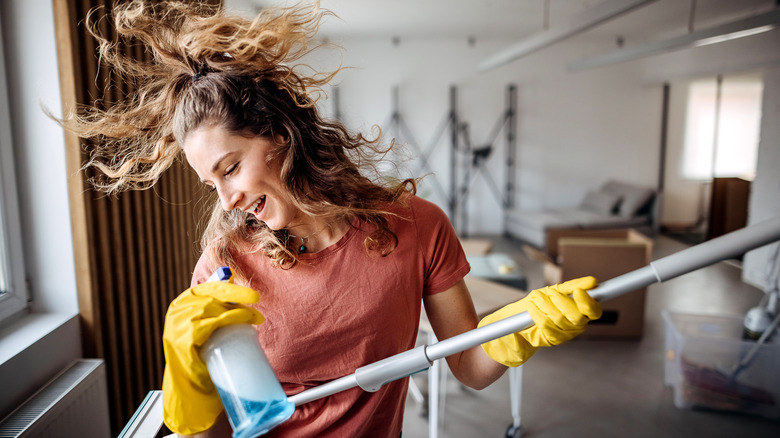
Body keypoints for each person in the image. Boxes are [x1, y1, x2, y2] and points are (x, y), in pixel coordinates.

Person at [62, 1, 603, 436]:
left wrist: (518, 330)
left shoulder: (418, 227)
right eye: (212, 184)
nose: (225, 200)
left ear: (277, 135)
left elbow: (469, 366)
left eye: (230, 169)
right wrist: (189, 390)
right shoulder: (226, 269)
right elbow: (224, 432)